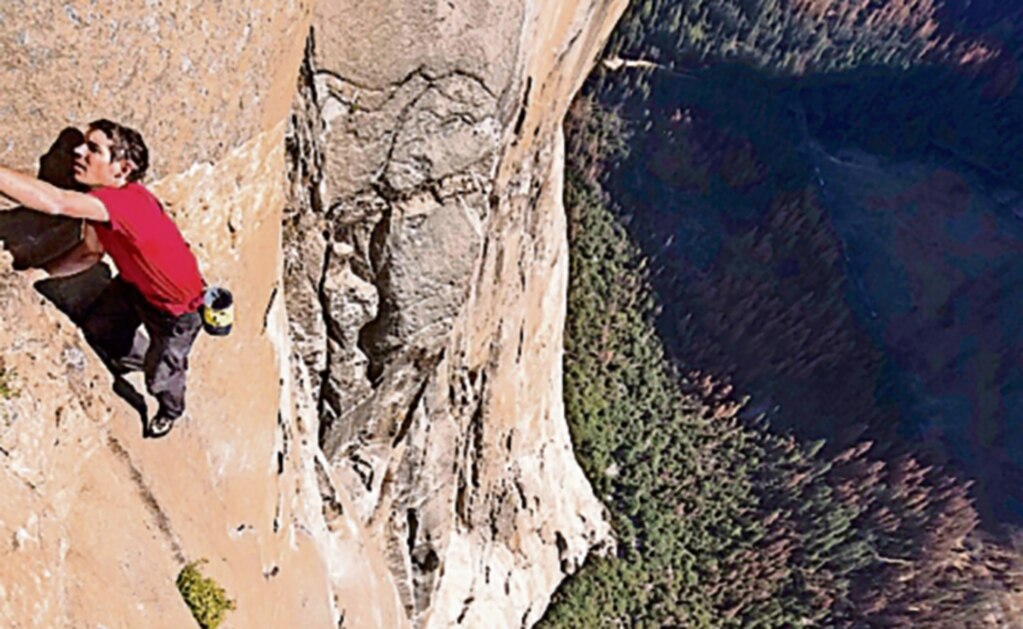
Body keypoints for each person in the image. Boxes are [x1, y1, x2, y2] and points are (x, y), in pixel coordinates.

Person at [0, 119, 205, 438]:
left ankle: (169, 409)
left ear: (122, 169)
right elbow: (90, 253)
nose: (78, 151)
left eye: (93, 149)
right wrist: (36, 276)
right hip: (134, 286)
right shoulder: (105, 202)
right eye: (83, 143)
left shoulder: (124, 204)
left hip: (175, 311)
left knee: (161, 375)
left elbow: (56, 202)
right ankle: (137, 358)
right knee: (102, 328)